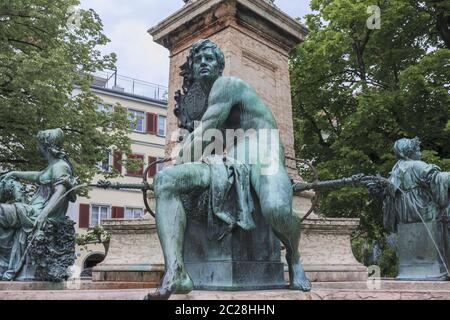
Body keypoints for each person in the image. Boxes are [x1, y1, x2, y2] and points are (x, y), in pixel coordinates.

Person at [146, 39, 311, 299]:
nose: (202, 63)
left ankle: (294, 258)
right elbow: (209, 142)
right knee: (166, 181)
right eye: (198, 60)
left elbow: (205, 134)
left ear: (220, 66)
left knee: (277, 209)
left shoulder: (227, 85)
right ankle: (176, 272)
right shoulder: (208, 101)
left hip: (263, 151)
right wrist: (181, 171)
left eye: (209, 59)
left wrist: (180, 161)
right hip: (232, 158)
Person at [0, 128, 77, 280]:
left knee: (2, 212)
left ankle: (5, 260)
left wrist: (43, 215)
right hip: (34, 209)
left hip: (38, 211)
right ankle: (5, 260)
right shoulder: (53, 165)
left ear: (45, 145)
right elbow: (38, 176)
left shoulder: (60, 166)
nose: (37, 146)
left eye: (39, 143)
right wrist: (15, 173)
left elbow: (60, 192)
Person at [383, 137, 450, 232]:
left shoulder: (395, 171)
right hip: (421, 210)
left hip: (404, 214)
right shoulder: (415, 165)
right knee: (447, 209)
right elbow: (436, 178)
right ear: (409, 153)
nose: (420, 153)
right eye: (418, 151)